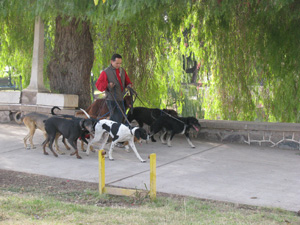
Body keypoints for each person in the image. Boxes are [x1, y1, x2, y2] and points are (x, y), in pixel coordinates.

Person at [95, 54, 132, 123]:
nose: (119, 65)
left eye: (120, 63)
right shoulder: (105, 72)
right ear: (112, 61)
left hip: (120, 98)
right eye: (117, 63)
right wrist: (108, 85)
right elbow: (98, 85)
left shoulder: (122, 71)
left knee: (121, 117)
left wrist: (129, 85)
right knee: (116, 117)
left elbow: (127, 81)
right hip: (111, 99)